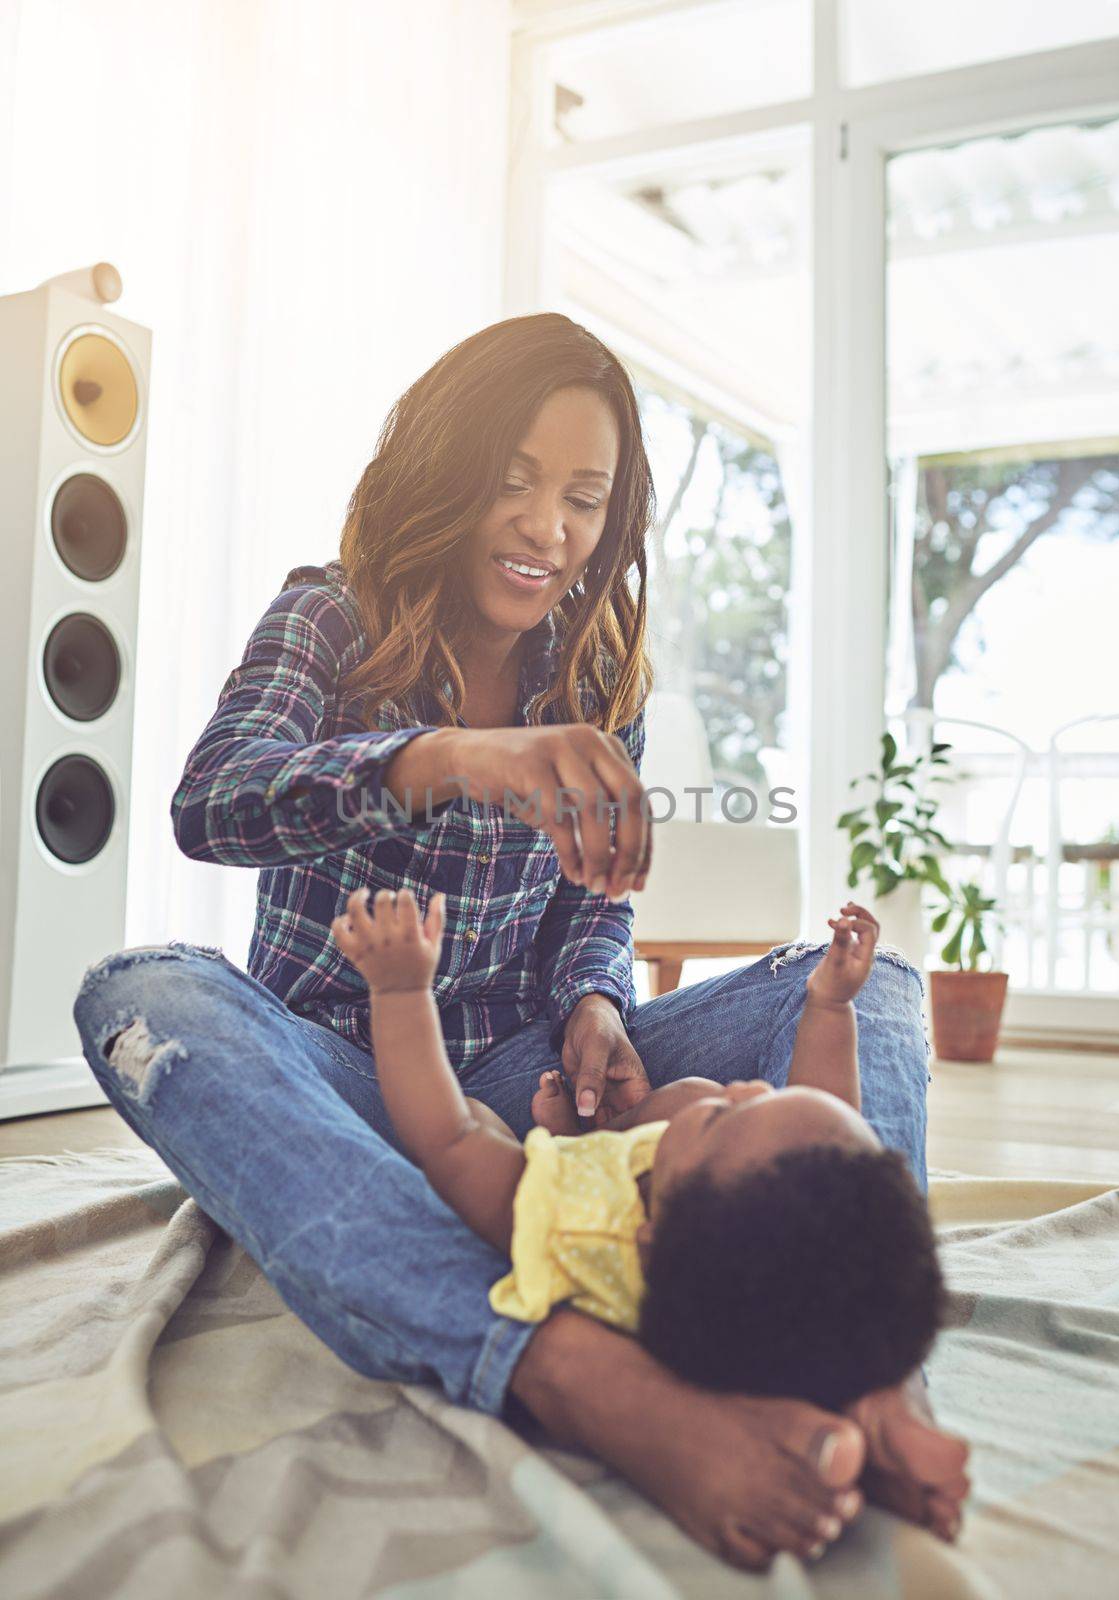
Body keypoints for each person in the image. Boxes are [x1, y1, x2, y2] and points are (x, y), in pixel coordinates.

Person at [72, 312, 969, 1572]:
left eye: (585, 497)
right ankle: (570, 1373)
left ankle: (873, 1371)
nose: (551, 527)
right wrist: (449, 762)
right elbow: (213, 802)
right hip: (338, 1078)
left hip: (533, 1069)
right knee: (140, 993)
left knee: (873, 993)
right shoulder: (327, 618)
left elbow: (595, 905)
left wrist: (598, 1004)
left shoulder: (603, 677)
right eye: (516, 480)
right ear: (446, 470)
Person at [331, 888, 946, 1417]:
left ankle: (571, 1146)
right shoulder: (731, 1263)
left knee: (480, 1124)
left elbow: (444, 1137)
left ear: (646, 1231)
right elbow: (824, 1111)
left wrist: (400, 993)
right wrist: (831, 1003)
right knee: (751, 1111)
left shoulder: (575, 1225)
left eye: (724, 1120)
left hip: (422, 1093)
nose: (749, 1087)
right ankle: (882, 1386)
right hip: (587, 1109)